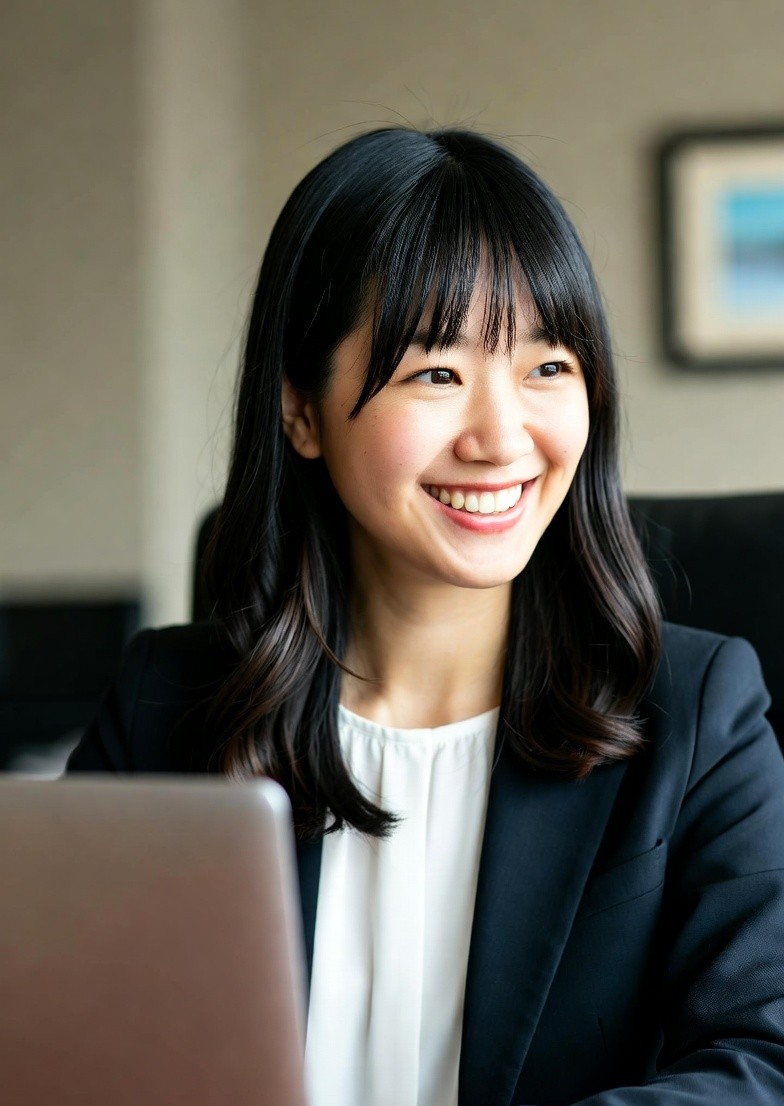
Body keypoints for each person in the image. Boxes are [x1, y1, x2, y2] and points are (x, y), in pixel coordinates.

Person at [67, 126, 784, 1105]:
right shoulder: (166, 703)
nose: (501, 438)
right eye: (436, 372)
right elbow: (68, 1044)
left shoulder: (698, 712)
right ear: (301, 411)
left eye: (547, 367)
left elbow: (760, 1060)